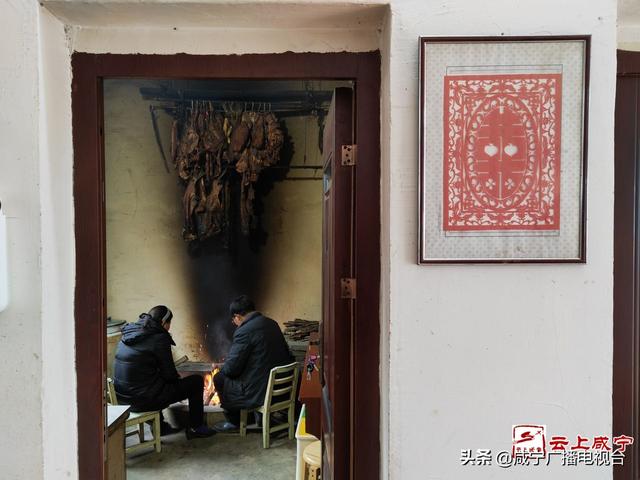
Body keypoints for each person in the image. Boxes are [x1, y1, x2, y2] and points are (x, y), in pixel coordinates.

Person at [113, 305, 216, 439]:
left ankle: (161, 428)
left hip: (122, 398)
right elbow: (169, 375)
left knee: (151, 381)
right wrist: (177, 382)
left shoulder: (130, 332)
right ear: (163, 322)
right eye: (169, 324)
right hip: (143, 401)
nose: (169, 328)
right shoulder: (159, 338)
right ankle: (196, 427)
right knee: (196, 382)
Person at [213, 295, 293, 432]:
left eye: (234, 320)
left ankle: (234, 422)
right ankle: (258, 416)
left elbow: (232, 369)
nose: (235, 324)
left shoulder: (244, 331)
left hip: (261, 391)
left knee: (219, 378)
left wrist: (222, 368)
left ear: (237, 316)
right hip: (282, 386)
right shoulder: (272, 323)